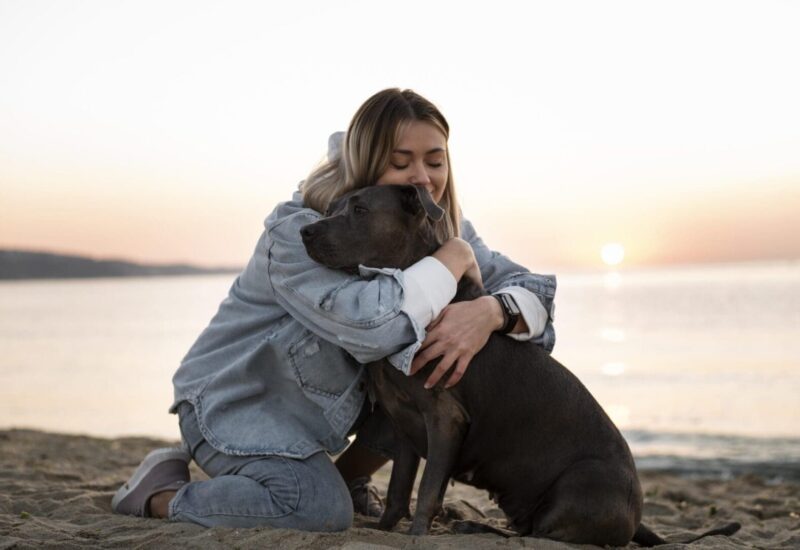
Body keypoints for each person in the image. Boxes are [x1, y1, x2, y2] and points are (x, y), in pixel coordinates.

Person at [111, 88, 556, 531]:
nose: (422, 177)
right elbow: (376, 328)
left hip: (323, 414)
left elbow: (534, 292)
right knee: (314, 509)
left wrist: (492, 312)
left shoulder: (435, 222)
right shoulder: (299, 232)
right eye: (400, 163)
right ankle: (159, 495)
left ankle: (348, 478)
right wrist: (454, 259)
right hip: (238, 404)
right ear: (365, 161)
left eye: (435, 161)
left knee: (430, 369)